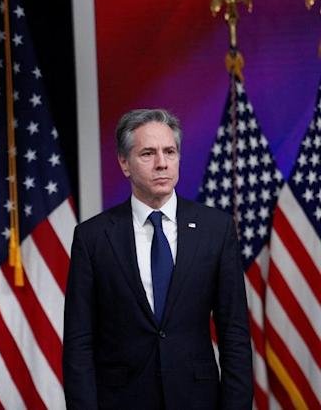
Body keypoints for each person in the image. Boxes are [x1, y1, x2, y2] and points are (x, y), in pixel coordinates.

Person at [63, 109, 252, 409]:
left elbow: (235, 334)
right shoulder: (93, 237)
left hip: (197, 401)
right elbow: (79, 341)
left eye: (170, 152)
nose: (162, 163)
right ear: (124, 163)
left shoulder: (216, 229)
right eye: (148, 153)